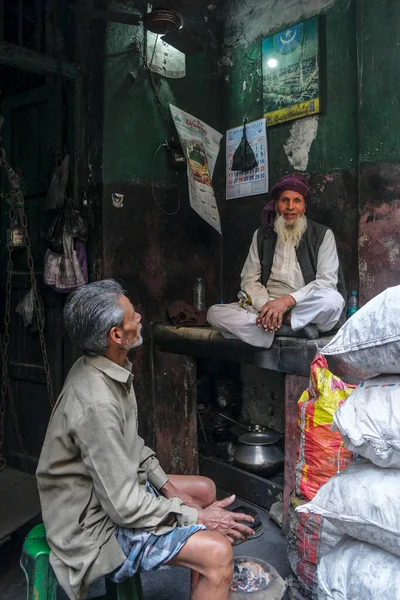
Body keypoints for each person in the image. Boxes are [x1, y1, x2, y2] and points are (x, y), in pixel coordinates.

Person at [36, 280, 254, 600]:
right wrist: (196, 516)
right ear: (116, 336)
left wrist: (171, 490)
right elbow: (124, 507)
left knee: (204, 489)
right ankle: (211, 570)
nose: (139, 317)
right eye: (131, 316)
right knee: (219, 553)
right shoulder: (96, 402)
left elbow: (132, 444)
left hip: (112, 494)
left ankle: (205, 581)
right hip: (93, 526)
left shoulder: (109, 367)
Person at [207, 173, 346, 349]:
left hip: (303, 306)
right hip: (267, 304)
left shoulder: (322, 235)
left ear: (304, 207)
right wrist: (267, 307)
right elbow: (249, 279)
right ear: (276, 205)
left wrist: (286, 302)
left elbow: (327, 282)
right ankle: (288, 327)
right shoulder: (262, 235)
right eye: (284, 200)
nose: (290, 207)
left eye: (297, 201)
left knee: (333, 301)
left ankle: (281, 324)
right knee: (214, 313)